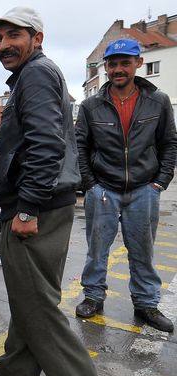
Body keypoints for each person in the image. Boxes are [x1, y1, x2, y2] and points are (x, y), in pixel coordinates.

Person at [0, 7, 102, 376]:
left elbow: (47, 145)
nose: (3, 45)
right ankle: (17, 373)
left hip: (38, 208)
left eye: (13, 35)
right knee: (27, 295)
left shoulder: (35, 74)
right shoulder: (33, 76)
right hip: (44, 203)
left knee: (37, 303)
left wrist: (27, 209)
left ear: (37, 38)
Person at [75, 39, 177, 332]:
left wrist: (160, 181)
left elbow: (169, 142)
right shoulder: (91, 105)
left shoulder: (158, 101)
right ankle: (93, 296)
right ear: (105, 67)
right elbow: (80, 146)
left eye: (125, 62)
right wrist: (90, 184)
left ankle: (146, 303)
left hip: (144, 188)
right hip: (103, 188)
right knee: (97, 248)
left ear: (138, 63)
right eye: (112, 64)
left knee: (143, 249)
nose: (118, 69)